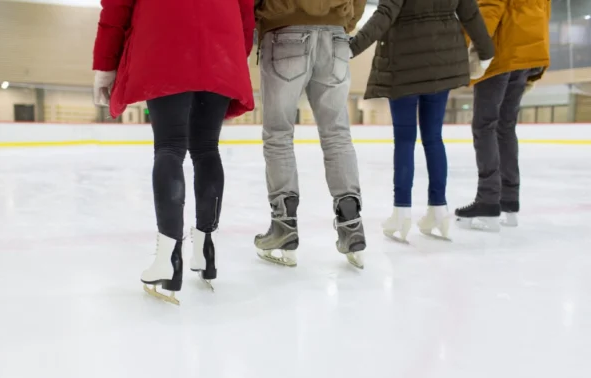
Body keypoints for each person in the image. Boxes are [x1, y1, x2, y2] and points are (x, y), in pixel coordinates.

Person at [92, 0, 255, 303]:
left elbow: (116, 7)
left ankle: (168, 257)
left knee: (169, 147)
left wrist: (105, 64)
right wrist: (234, 51)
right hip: (221, 38)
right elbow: (246, 10)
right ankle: (206, 252)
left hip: (164, 36)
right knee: (207, 149)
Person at [349, 0, 494, 242]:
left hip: (404, 64)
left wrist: (353, 47)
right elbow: (470, 13)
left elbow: (385, 13)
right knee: (434, 138)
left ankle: (401, 212)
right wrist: (486, 51)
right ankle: (438, 210)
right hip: (443, 62)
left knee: (405, 140)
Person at [253, 0, 368, 268]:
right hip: (335, 34)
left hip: (284, 29)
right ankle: (351, 225)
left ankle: (284, 226)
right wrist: (343, 20)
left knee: (279, 133)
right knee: (337, 134)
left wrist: (259, 21)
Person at [455, 0, 551, 231]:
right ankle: (509, 199)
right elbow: (544, 13)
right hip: (528, 54)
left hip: (501, 53)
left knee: (484, 125)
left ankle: (488, 200)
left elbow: (488, 9)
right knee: (505, 126)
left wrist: (474, 50)